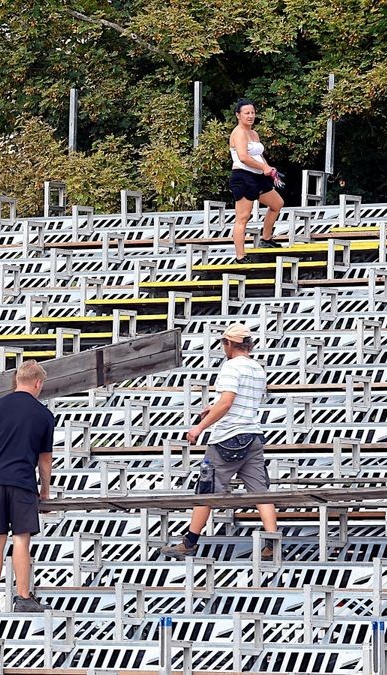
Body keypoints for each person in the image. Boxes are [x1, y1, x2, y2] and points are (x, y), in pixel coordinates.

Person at [161, 323, 278, 560]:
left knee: (206, 490)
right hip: (253, 436)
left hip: (227, 438)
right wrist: (213, 408)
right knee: (261, 492)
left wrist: (199, 427)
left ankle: (189, 542)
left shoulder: (231, 367)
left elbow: (227, 402)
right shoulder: (257, 368)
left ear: (230, 344)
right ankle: (273, 541)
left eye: (224, 343)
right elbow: (240, 403)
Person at [0, 360, 54, 613]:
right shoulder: (43, 414)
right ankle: (22, 596)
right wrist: (45, 490)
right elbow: (45, 459)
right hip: (22, 481)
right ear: (38, 383)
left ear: (16, 380)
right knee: (21, 538)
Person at [228, 98, 284, 264]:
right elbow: (244, 157)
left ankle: (266, 238)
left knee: (277, 204)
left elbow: (258, 155)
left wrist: (268, 169)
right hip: (242, 176)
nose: (250, 116)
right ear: (238, 115)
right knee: (243, 217)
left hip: (257, 176)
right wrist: (263, 167)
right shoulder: (238, 133)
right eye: (247, 113)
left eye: (252, 112)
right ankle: (240, 256)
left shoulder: (254, 133)